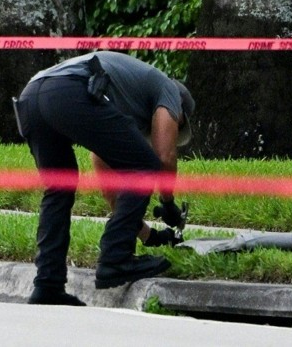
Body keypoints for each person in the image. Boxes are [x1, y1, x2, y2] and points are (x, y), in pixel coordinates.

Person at [12, 51, 195, 306]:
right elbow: (164, 156)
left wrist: (149, 236)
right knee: (145, 165)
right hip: (67, 90)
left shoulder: (121, 98)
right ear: (180, 112)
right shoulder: (169, 89)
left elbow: (112, 191)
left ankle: (48, 284)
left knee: (60, 188)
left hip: (32, 96)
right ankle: (116, 260)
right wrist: (168, 202)